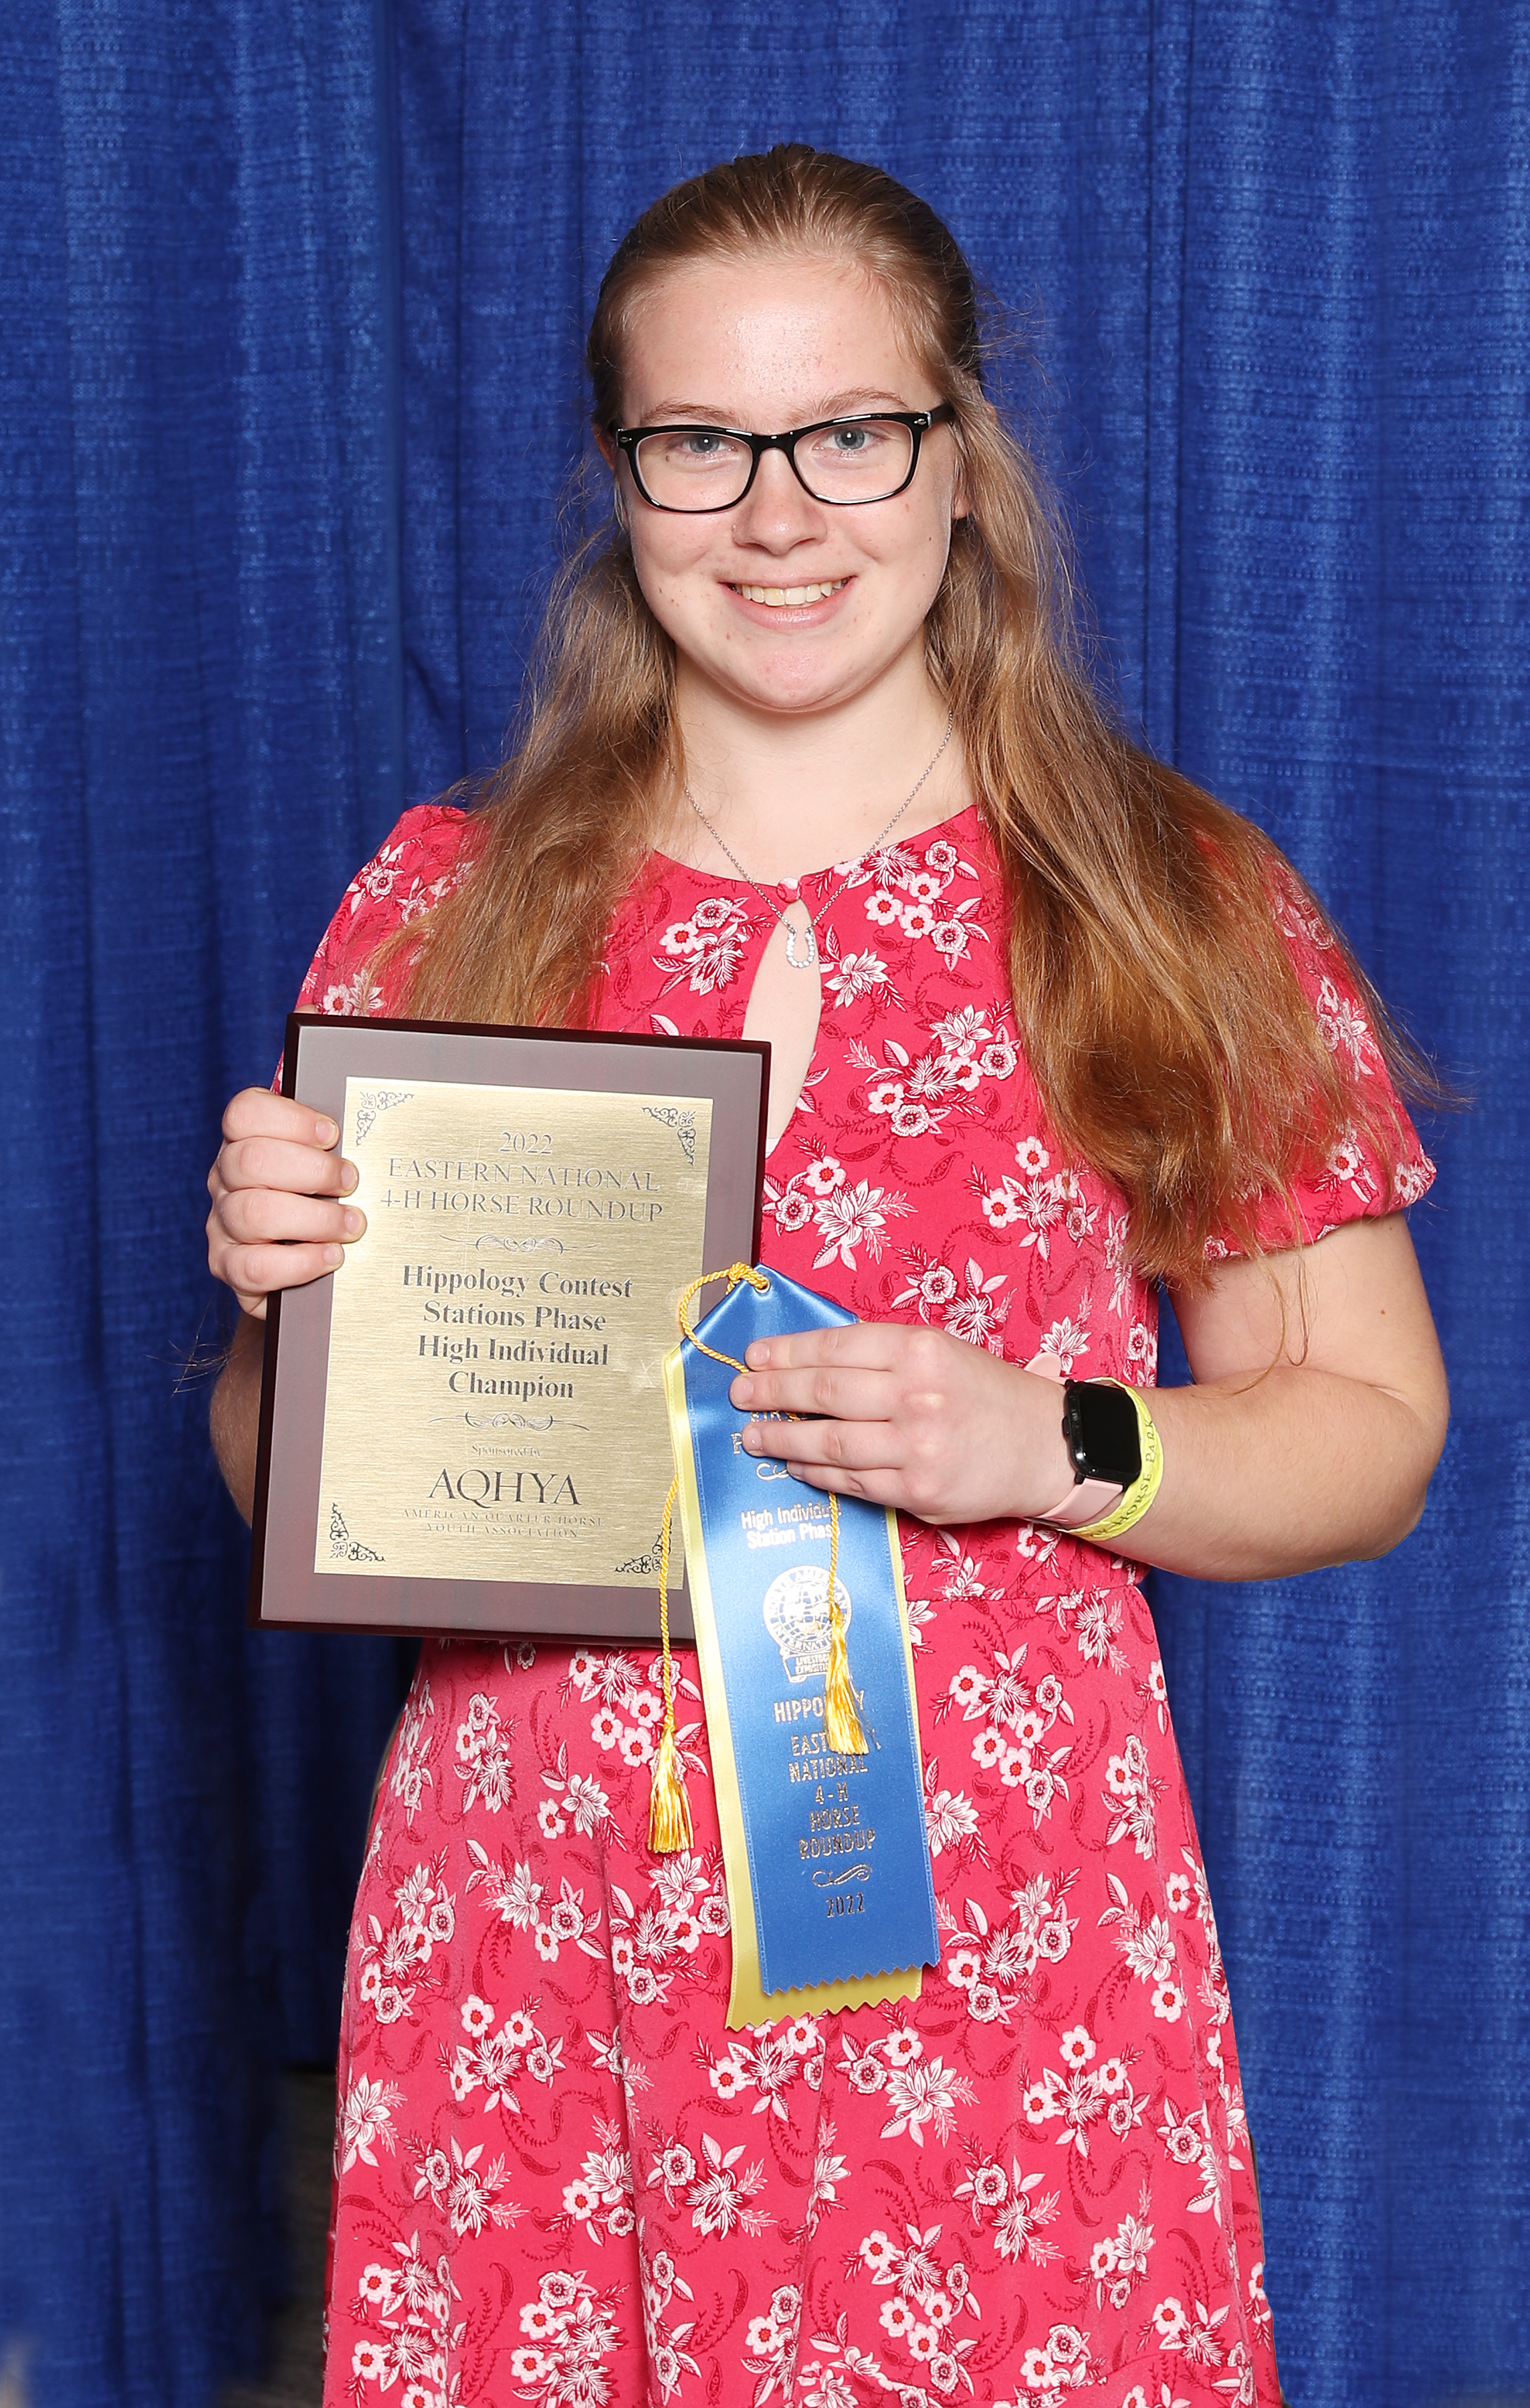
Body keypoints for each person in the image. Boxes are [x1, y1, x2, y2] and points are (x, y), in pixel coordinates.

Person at [207, 146, 1446, 2408]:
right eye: (703, 443)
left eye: (850, 433)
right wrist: (286, 1307)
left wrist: (1048, 1440)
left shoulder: (1166, 896)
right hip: (539, 1943)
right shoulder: (450, 907)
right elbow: (281, 1477)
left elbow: (1368, 1437)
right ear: (624, 478)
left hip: (996, 1946)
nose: (781, 516)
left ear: (961, 457)